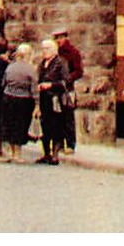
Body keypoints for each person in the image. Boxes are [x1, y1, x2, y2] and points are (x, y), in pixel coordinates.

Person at [36, 36, 72, 165]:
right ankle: (46, 154)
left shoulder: (60, 62)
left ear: (53, 50)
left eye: (46, 49)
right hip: (44, 98)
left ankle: (55, 154)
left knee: (56, 126)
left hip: (56, 99)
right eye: (43, 49)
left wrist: (51, 85)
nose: (44, 51)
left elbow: (66, 81)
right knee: (45, 127)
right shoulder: (42, 64)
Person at [0, 41, 37, 162]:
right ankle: (17, 154)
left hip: (8, 97)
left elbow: (3, 82)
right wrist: (37, 104)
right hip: (23, 100)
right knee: (20, 126)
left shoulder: (10, 67)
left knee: (10, 124)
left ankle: (11, 152)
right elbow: (34, 88)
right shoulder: (30, 69)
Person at [52, 26, 84, 153]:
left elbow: (79, 71)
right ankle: (59, 143)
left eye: (60, 38)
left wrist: (67, 79)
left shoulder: (73, 53)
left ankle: (70, 144)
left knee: (68, 117)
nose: (58, 41)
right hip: (56, 88)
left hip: (67, 89)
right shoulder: (55, 52)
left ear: (65, 38)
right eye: (56, 38)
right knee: (57, 117)